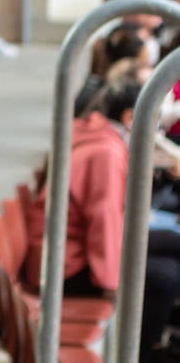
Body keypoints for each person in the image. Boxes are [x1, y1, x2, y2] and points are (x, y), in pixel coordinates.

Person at [25, 79, 180, 363]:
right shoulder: (106, 153)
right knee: (163, 277)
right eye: (156, 120)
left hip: (65, 252)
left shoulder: (102, 138)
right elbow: (103, 220)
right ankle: (140, 353)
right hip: (63, 264)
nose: (159, 130)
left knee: (170, 255)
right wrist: (112, 283)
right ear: (131, 117)